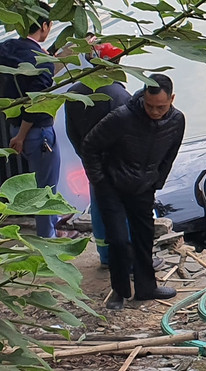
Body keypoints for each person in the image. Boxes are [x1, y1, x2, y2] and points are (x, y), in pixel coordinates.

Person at [81, 74, 185, 310]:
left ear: (172, 99)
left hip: (143, 186)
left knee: (144, 237)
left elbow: (171, 153)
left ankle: (146, 287)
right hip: (113, 186)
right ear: (143, 98)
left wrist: (157, 181)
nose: (155, 112)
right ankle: (120, 290)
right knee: (118, 240)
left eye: (161, 107)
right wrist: (100, 182)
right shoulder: (122, 117)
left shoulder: (177, 120)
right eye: (149, 106)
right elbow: (89, 146)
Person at [0, 2, 73, 239]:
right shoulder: (42, 61)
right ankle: (47, 235)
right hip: (36, 132)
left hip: (16, 124)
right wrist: (21, 136)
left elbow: (1, 50)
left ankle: (53, 220)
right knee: (45, 186)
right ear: (46, 26)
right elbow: (37, 103)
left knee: (40, 181)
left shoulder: (7, 48)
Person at [63, 43, 130, 267]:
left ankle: (105, 255)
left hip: (92, 162)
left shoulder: (73, 92)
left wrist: (84, 156)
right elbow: (129, 134)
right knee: (123, 209)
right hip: (118, 163)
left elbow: (71, 131)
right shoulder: (119, 95)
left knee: (99, 206)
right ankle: (127, 258)